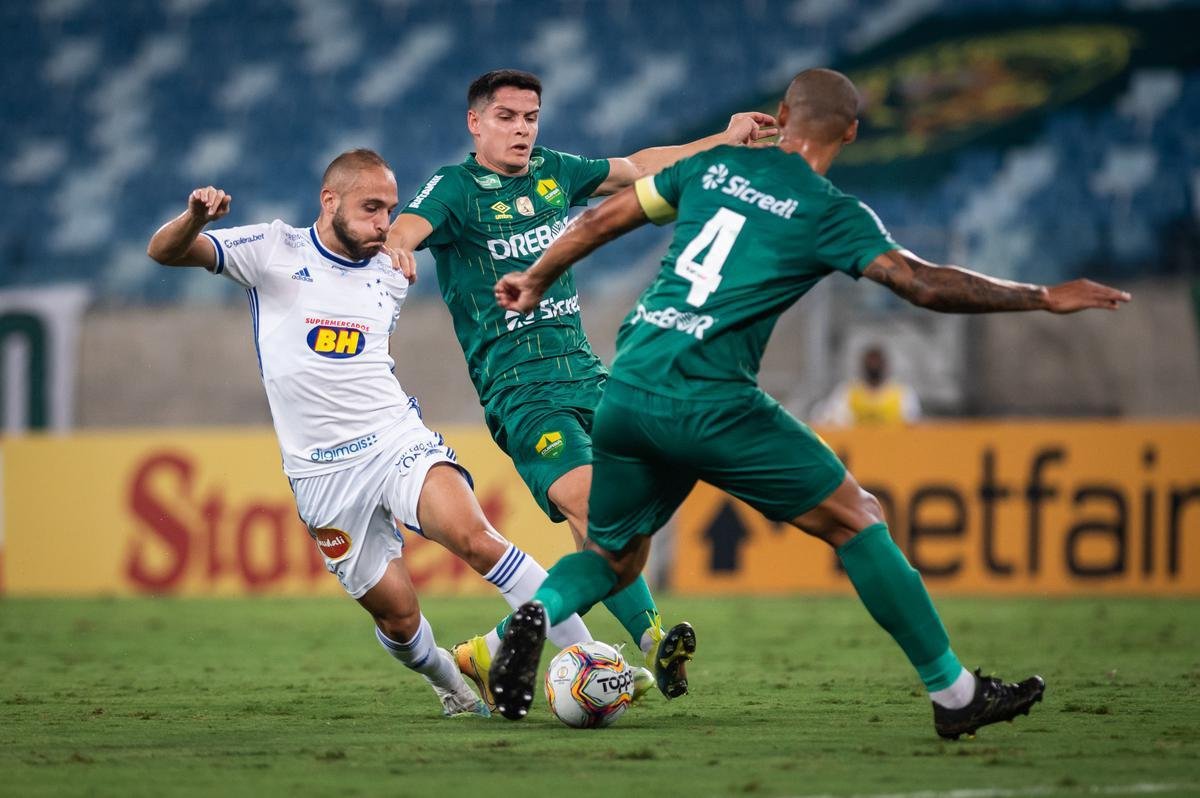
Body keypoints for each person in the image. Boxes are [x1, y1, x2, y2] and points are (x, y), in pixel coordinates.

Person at [488, 68, 1131, 735]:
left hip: (627, 387)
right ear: (849, 133)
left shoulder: (711, 167)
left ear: (782, 114)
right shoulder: (830, 212)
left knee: (610, 555)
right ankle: (954, 693)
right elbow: (923, 285)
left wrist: (536, 279)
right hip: (711, 401)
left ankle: (535, 613)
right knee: (857, 519)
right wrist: (1041, 296)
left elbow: (601, 218)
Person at [145, 148, 601, 718]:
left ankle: (593, 656)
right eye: (370, 208)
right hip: (322, 474)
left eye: (389, 209)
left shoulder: (391, 268)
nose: (384, 223)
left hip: (394, 439)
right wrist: (195, 217)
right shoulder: (271, 250)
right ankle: (447, 679)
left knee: (477, 537)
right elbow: (163, 251)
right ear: (329, 201)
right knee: (399, 616)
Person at [384, 68, 777, 705]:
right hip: (522, 391)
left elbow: (644, 164)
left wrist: (726, 138)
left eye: (530, 117)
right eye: (507, 117)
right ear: (475, 122)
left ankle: (641, 641)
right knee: (597, 505)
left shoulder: (553, 171)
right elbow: (409, 224)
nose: (521, 129)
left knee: (613, 517)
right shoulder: (456, 190)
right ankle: (513, 645)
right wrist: (400, 246)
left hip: (588, 376)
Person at [812, 345, 921, 426]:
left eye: (877, 362)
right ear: (862, 365)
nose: (873, 366)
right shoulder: (847, 392)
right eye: (870, 362)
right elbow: (826, 419)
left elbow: (912, 424)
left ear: (885, 365)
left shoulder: (903, 394)